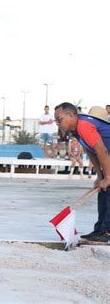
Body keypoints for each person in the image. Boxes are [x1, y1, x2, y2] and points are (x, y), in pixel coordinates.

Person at [54, 103, 110, 243]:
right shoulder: (76, 131)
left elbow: (101, 150)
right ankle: (100, 229)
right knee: (102, 190)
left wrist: (108, 177)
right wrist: (100, 176)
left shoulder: (83, 125)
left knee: (109, 189)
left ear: (71, 115)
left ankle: (107, 232)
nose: (57, 123)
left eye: (59, 119)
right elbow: (92, 152)